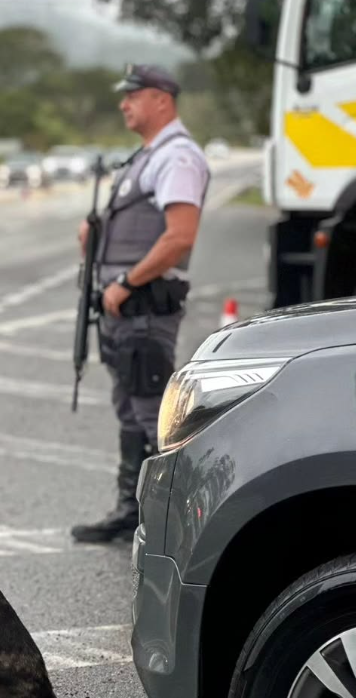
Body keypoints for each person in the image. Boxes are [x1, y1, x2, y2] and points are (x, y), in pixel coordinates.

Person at [71, 64, 210, 543]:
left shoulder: (178, 158)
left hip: (145, 308)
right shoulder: (147, 157)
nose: (124, 103)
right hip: (124, 314)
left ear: (162, 101)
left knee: (153, 412)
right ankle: (132, 510)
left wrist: (126, 282)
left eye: (133, 95)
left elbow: (178, 237)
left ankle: (171, 521)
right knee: (131, 410)